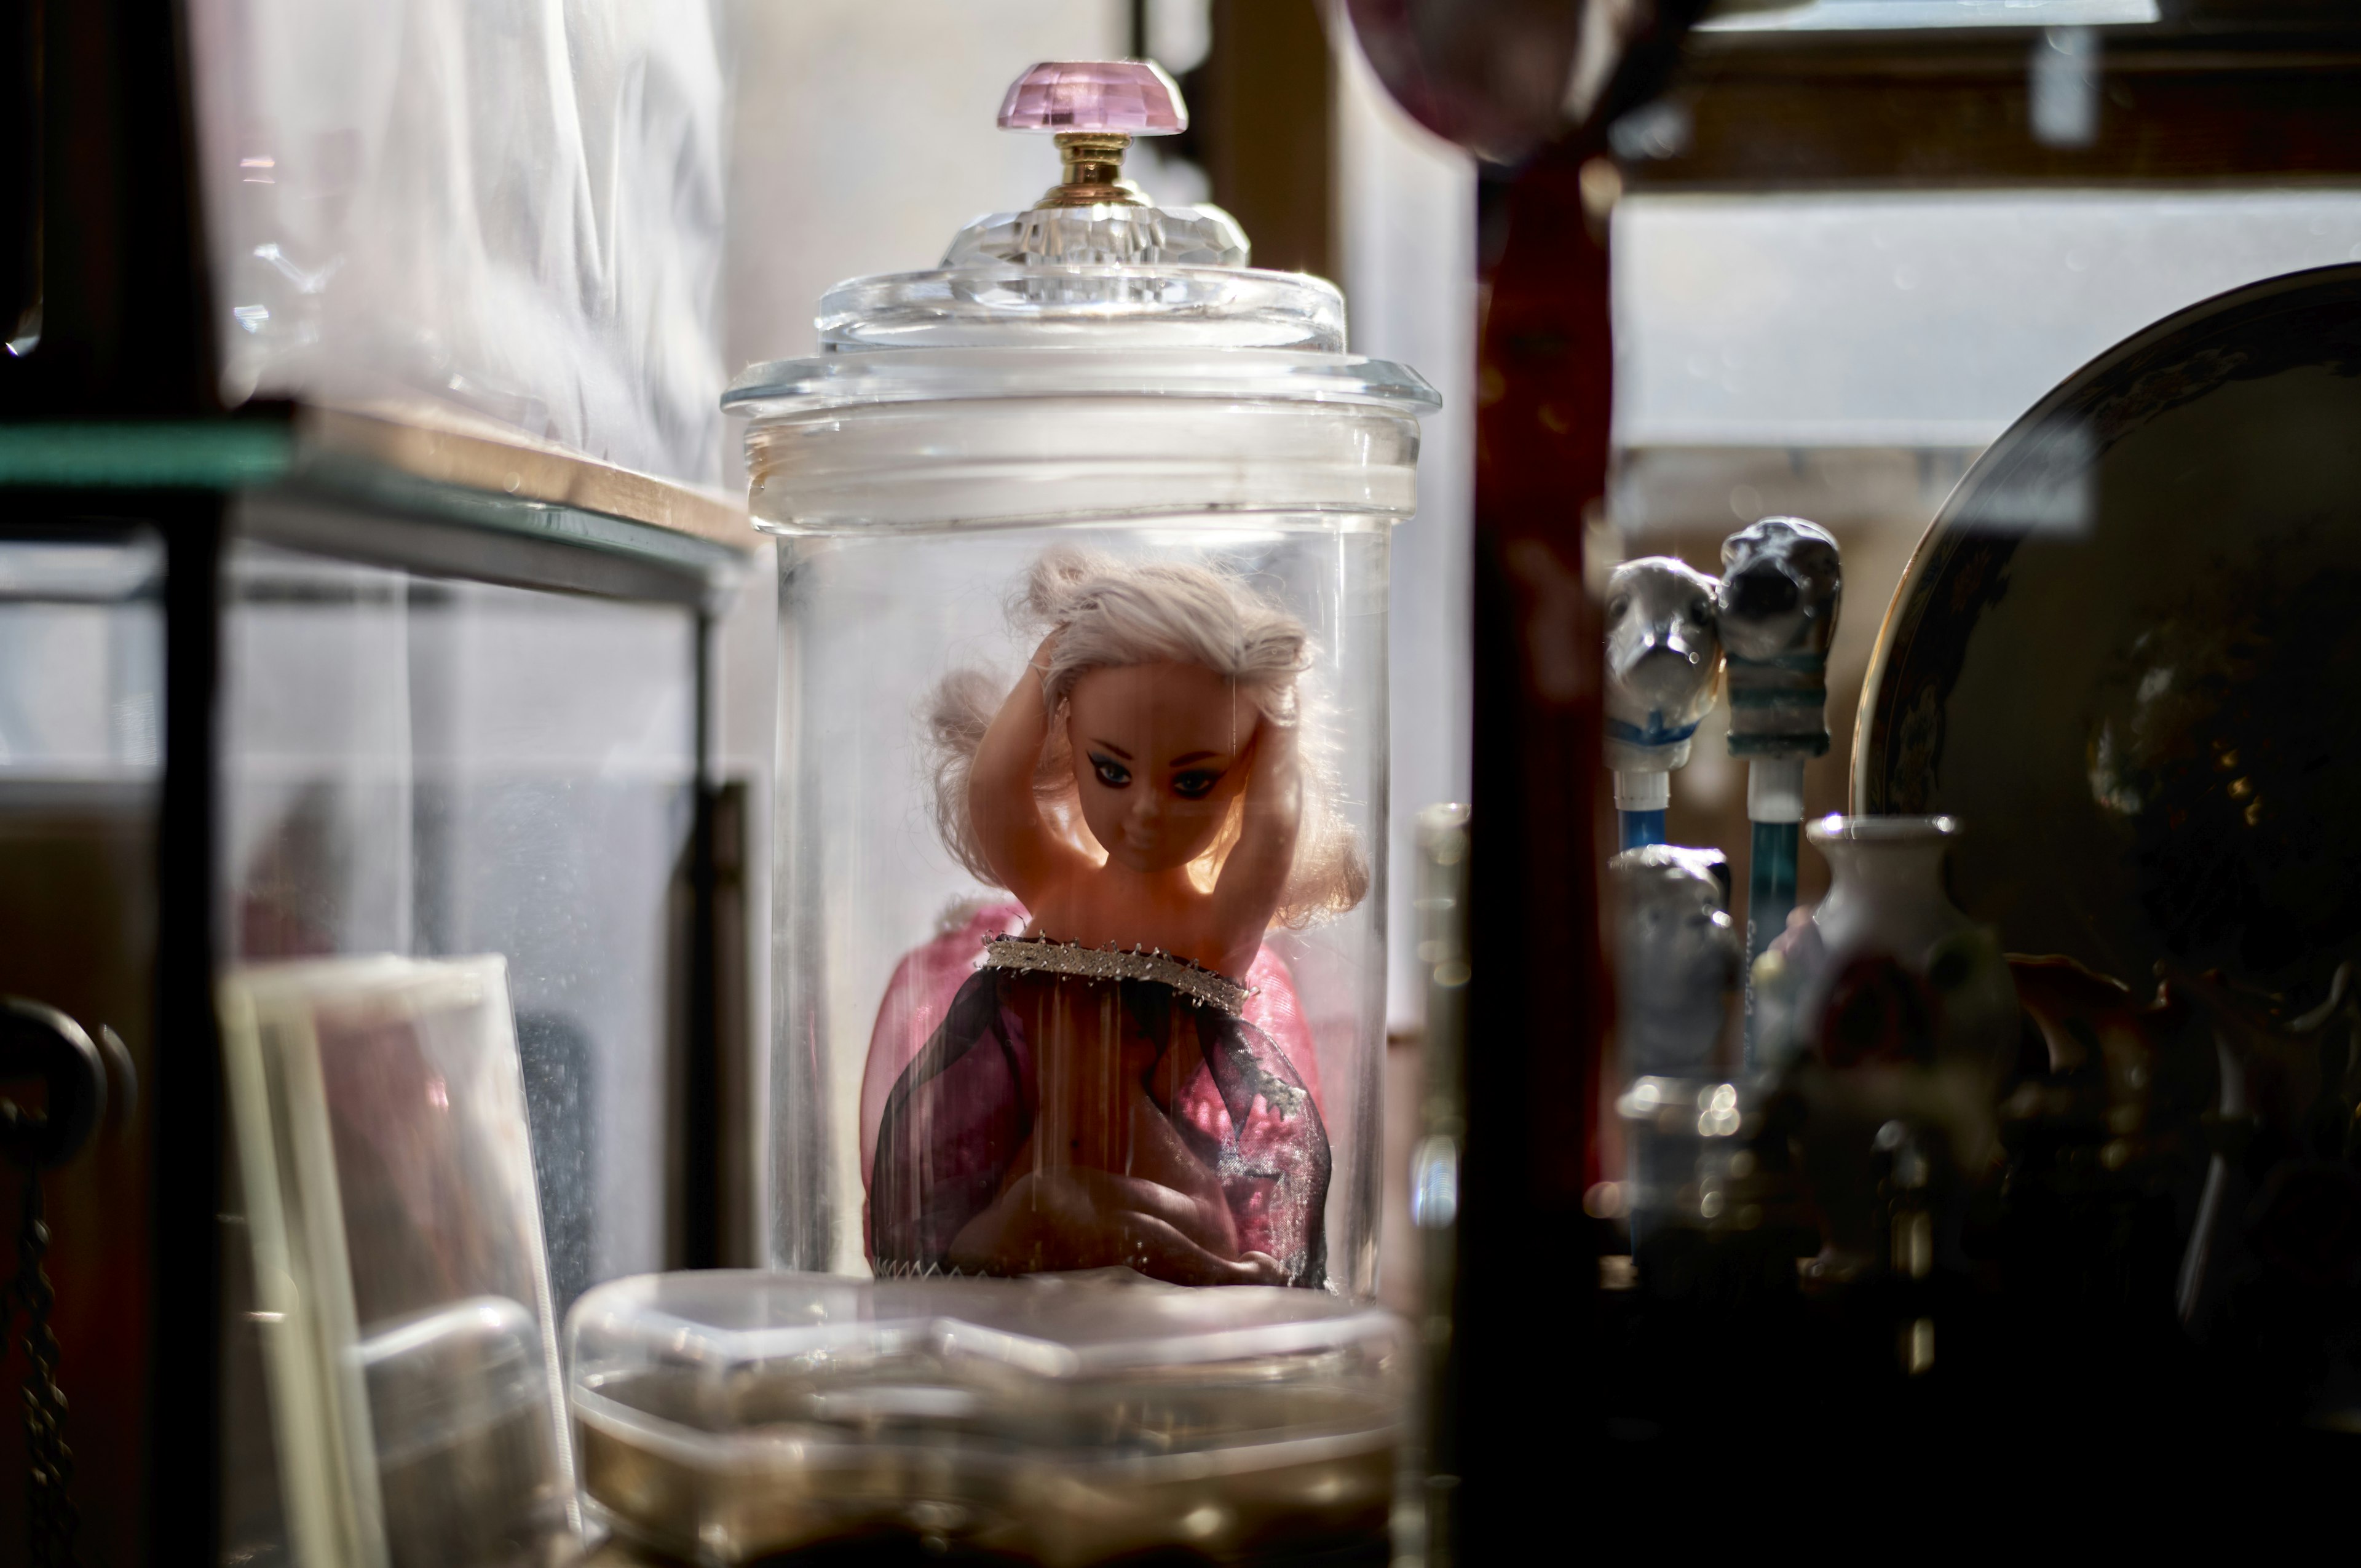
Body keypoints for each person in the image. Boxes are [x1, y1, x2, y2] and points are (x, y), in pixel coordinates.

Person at [866, 547, 1364, 1286]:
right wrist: (1054, 660)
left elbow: (1268, 840)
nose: (1143, 813)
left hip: (1162, 1177)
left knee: (1115, 1223)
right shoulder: (1061, 890)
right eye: (1112, 771)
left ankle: (1222, 1272)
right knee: (1021, 1221)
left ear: (1242, 778)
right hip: (1038, 1173)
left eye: (1193, 782)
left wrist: (1281, 723)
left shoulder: (1206, 932)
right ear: (1069, 740)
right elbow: (996, 795)